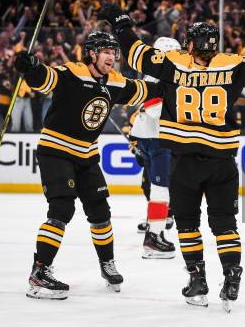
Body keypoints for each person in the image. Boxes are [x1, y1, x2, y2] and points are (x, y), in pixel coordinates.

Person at [101, 3, 245, 310]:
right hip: (222, 162)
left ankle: (197, 281)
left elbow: (135, 52)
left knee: (188, 224)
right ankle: (232, 275)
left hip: (185, 162)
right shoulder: (232, 64)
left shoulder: (174, 64)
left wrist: (121, 23)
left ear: (190, 44)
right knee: (224, 223)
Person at [16, 31, 154, 300]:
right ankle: (39, 272)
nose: (112, 57)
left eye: (114, 52)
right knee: (62, 208)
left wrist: (177, 83)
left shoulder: (114, 81)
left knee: (101, 211)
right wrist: (30, 68)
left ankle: (107, 265)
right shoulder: (73, 72)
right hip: (56, 151)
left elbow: (143, 91)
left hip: (87, 155)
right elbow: (45, 78)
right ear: (91, 53)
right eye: (106, 51)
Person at [130, 37, 181, 259]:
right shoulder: (158, 76)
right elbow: (155, 110)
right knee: (160, 189)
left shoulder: (155, 75)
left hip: (148, 138)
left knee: (157, 188)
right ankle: (153, 238)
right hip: (158, 140)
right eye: (176, 53)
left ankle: (155, 230)